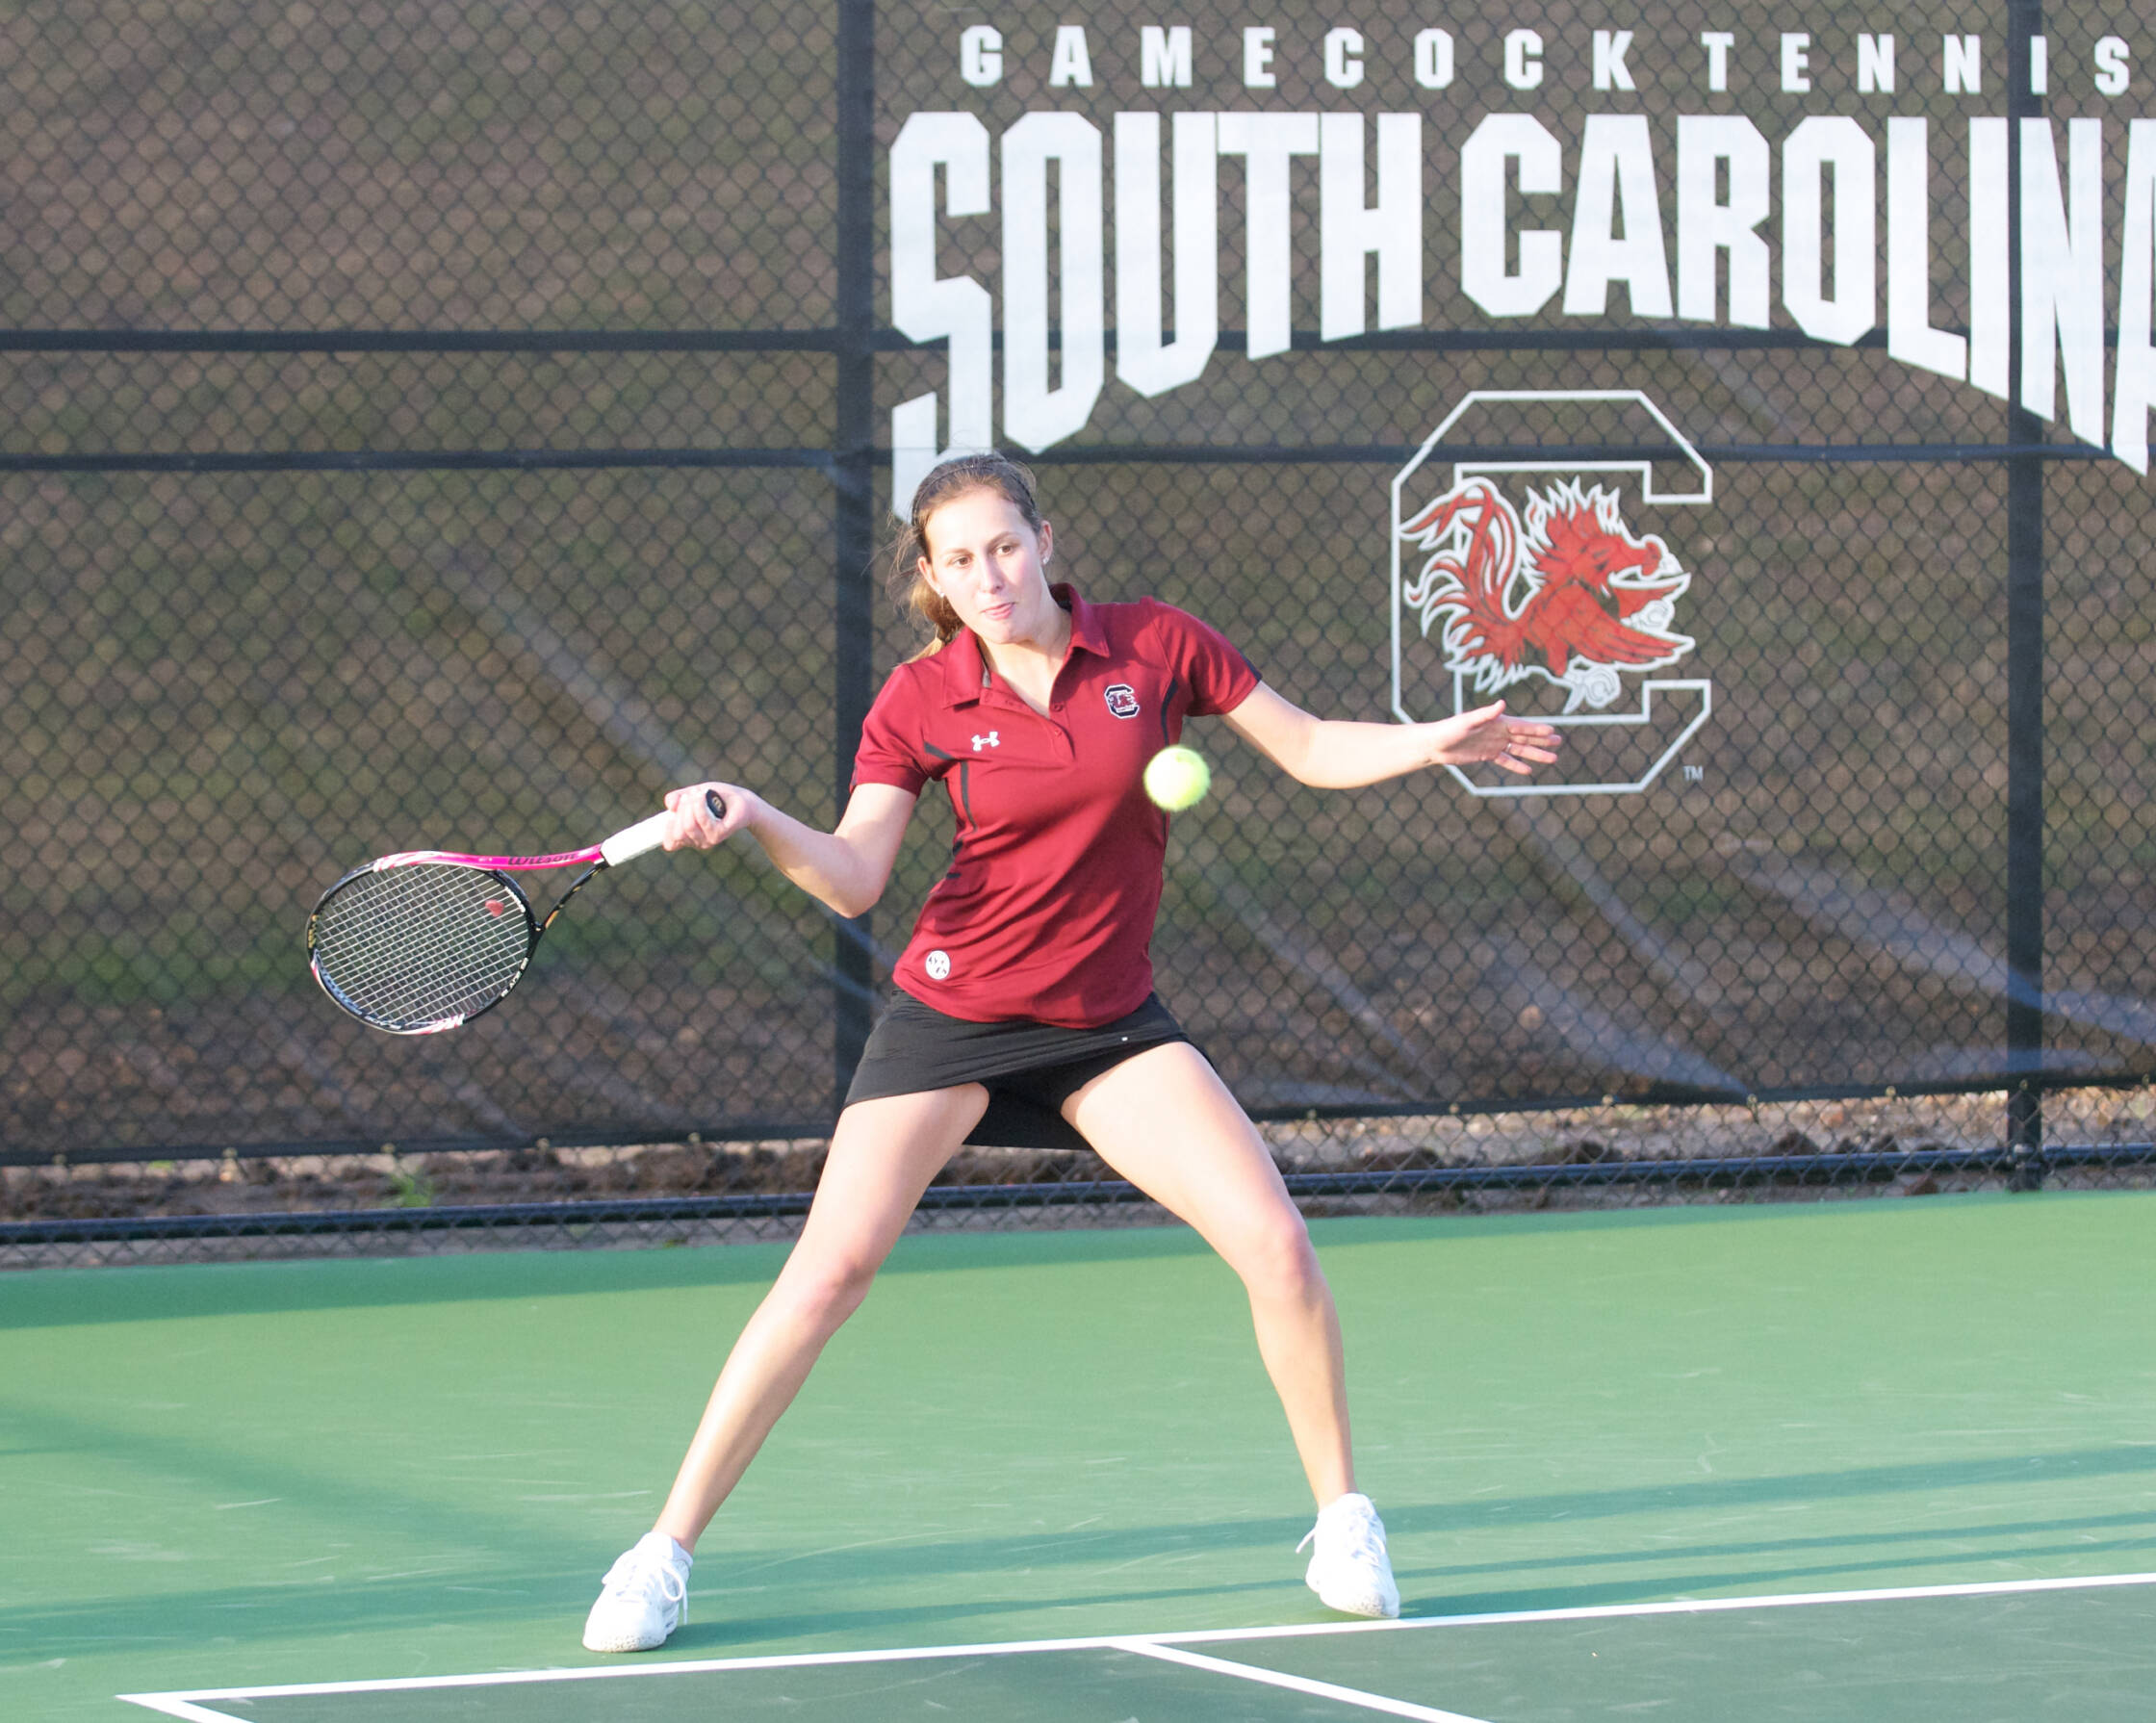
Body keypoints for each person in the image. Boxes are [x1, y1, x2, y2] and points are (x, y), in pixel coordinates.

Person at [581, 451, 1562, 1653]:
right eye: (958, 560)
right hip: (953, 1014)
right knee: (827, 1273)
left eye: (1003, 545)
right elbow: (853, 876)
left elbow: (1305, 748)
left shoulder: (1155, 646)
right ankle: (661, 1553)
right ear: (933, 581)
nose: (987, 575)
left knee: (1276, 1243)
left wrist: (1428, 743)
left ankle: (1345, 1520)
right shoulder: (920, 697)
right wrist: (752, 813)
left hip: (1106, 1023)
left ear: (1044, 540)